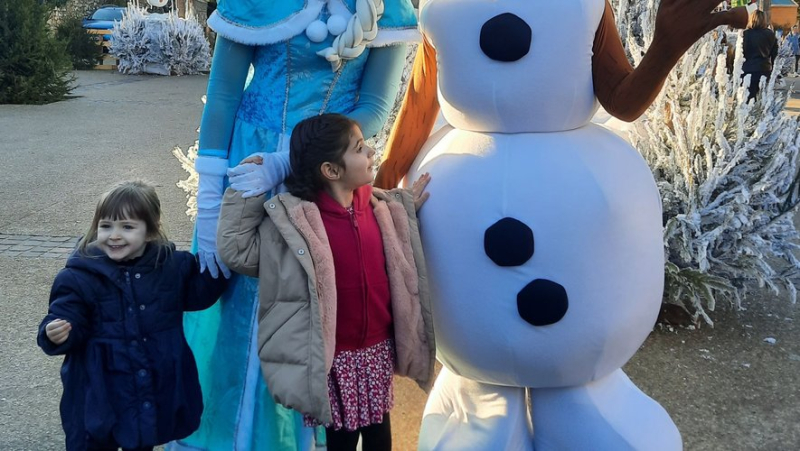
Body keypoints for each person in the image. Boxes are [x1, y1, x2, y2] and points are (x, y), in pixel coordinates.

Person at [178, 0, 420, 449]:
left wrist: (292, 159)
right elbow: (225, 96)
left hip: (327, 178)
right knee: (241, 311)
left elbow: (375, 106)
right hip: (250, 171)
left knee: (317, 310)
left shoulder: (389, 8)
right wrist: (211, 201)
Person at [216, 114, 436, 451]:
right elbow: (238, 251)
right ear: (331, 171)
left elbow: (395, 222)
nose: (372, 152)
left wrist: (407, 203)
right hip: (335, 357)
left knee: (381, 438)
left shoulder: (378, 207)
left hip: (377, 350)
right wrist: (247, 189)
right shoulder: (298, 223)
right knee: (342, 442)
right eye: (360, 149)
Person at [37, 180, 228, 451]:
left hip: (147, 383)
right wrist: (54, 332)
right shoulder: (79, 276)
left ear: (150, 230)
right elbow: (66, 313)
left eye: (127, 227)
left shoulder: (171, 267)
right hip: (98, 387)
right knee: (91, 440)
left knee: (140, 437)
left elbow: (200, 295)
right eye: (106, 226)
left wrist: (224, 257)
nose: (114, 235)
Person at [742, 9, 778, 102]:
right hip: (764, 68)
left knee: (747, 98)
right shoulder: (770, 34)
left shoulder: (745, 34)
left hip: (747, 68)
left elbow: (741, 52)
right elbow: (774, 53)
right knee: (762, 97)